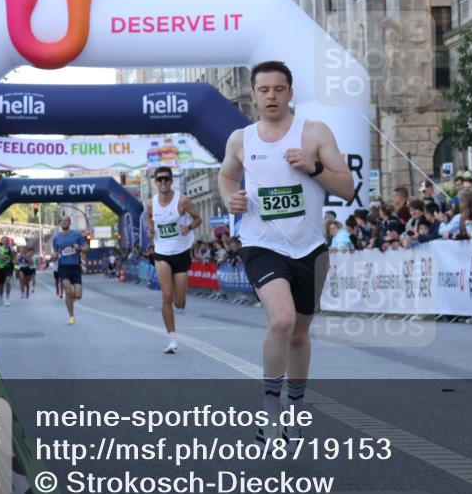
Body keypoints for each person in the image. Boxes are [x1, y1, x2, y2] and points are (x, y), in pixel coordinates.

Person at [218, 60, 354, 448]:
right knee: (281, 321)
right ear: (254, 95)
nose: (272, 96)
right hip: (261, 244)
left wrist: (313, 168)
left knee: (298, 334)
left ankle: (295, 407)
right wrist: (231, 199)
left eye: (279, 89)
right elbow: (226, 176)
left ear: (290, 93)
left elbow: (346, 188)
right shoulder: (241, 139)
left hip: (309, 247)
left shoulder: (314, 132)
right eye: (264, 90)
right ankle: (268, 409)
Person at [146, 166, 202, 354]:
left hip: (181, 252)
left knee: (179, 302)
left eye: (166, 179)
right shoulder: (151, 203)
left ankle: (180, 296)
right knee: (166, 296)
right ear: (155, 182)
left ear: (171, 181)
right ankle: (172, 339)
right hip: (162, 252)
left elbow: (198, 218)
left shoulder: (182, 200)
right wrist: (151, 229)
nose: (163, 182)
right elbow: (149, 217)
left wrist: (189, 227)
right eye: (159, 179)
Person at [51, 215, 88, 325]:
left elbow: (86, 248)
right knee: (68, 291)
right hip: (63, 267)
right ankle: (71, 316)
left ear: (69, 222)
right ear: (60, 223)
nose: (64, 222)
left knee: (78, 295)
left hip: (75, 267)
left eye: (66, 220)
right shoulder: (56, 238)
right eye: (62, 221)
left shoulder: (77, 235)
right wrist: (52, 257)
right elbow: (55, 254)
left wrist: (79, 248)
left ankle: (72, 299)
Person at [0, 237, 14, 307]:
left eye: (7, 241)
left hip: (8, 268)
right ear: (2, 242)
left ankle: (7, 299)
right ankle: (0, 295)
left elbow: (14, 259)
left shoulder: (12, 250)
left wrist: (15, 264)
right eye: (4, 241)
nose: (6, 242)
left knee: (8, 281)